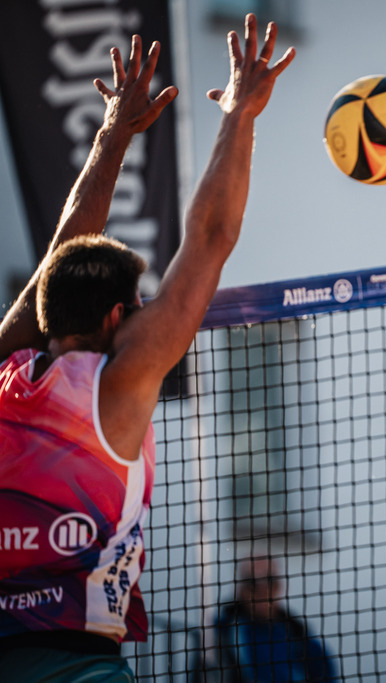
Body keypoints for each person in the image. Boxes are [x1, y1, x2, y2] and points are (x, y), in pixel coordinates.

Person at [0, 15, 294, 681]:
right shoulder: (119, 383)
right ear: (113, 316)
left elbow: (63, 246)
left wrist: (112, 133)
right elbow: (211, 237)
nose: (142, 317)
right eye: (134, 309)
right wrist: (241, 114)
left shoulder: (4, 369)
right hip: (82, 665)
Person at [194, 556, 339, 683]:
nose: (262, 590)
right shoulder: (217, 636)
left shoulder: (301, 638)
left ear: (281, 586)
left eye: (270, 581)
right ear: (240, 589)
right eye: (252, 582)